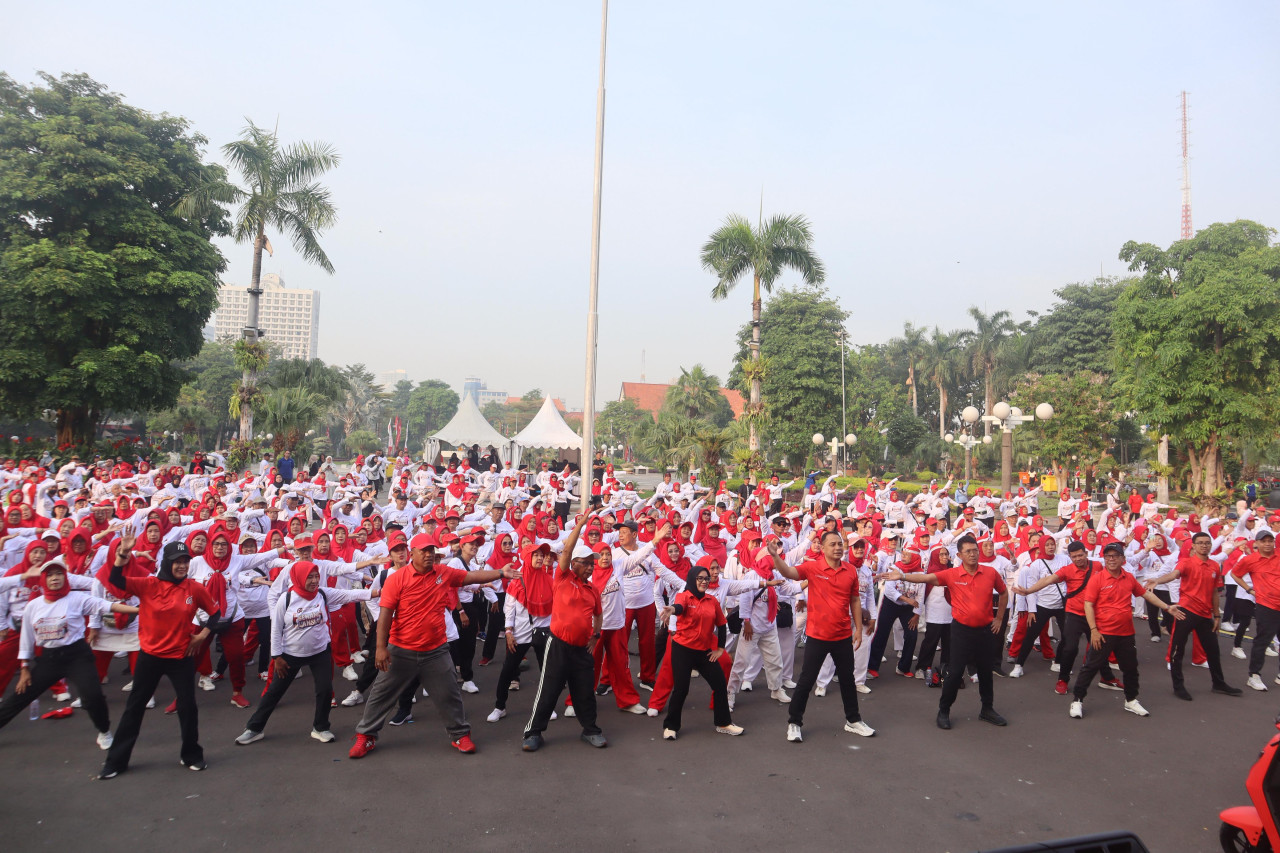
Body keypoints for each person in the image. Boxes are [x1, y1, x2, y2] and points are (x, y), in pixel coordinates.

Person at [347, 532, 518, 759]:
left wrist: (500, 572)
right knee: (381, 694)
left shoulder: (443, 573)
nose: (429, 555)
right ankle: (365, 737)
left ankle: (459, 734)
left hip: (435, 650)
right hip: (401, 649)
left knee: (450, 694)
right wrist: (380, 647)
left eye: (432, 551)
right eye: (423, 551)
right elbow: (385, 614)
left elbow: (470, 577)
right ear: (412, 554)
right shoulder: (397, 579)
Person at [99, 532, 221, 779]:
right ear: (166, 562)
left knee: (188, 707)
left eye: (185, 561)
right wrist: (123, 553)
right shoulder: (148, 585)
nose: (182, 566)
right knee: (134, 708)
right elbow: (115, 579)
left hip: (181, 657)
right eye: (177, 561)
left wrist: (201, 636)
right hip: (150, 657)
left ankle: (191, 754)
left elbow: (216, 614)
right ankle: (116, 761)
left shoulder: (194, 588)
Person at [235, 560, 374, 745]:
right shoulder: (286, 599)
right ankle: (254, 728)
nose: (315, 581)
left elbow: (350, 594)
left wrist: (378, 592)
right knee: (274, 692)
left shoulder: (323, 594)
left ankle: (321, 727)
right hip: (290, 655)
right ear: (298, 578)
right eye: (310, 577)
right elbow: (275, 630)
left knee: (325, 690)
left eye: (317, 576)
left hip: (320, 653)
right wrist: (277, 657)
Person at [0, 559, 137, 747]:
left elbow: (109, 606)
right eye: (49, 575)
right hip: (49, 659)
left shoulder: (76, 599)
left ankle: (104, 731)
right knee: (20, 696)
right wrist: (24, 668)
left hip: (77, 656)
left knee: (93, 697)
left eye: (58, 574)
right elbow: (26, 637)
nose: (54, 578)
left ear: (65, 577)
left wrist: (140, 610)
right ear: (43, 579)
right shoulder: (34, 605)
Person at [879, 534, 1008, 731]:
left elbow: (1004, 592)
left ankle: (987, 709)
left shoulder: (990, 573)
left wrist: (999, 618)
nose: (973, 554)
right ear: (960, 555)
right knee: (954, 672)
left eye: (975, 550)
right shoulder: (952, 574)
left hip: (985, 631)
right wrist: (903, 576)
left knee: (985, 672)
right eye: (968, 551)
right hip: (961, 630)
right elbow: (927, 577)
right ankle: (944, 710)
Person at [765, 529, 876, 743]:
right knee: (807, 681)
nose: (837, 548)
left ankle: (853, 720)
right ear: (822, 548)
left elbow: (854, 600)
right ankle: (794, 723)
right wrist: (775, 556)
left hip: (843, 635)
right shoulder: (813, 567)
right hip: (817, 635)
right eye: (832, 544)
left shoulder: (851, 571)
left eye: (839, 544)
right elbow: (788, 572)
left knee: (847, 680)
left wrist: (859, 630)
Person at [1069, 542, 1186, 718]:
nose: (1111, 559)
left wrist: (1167, 607)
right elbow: (1088, 605)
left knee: (1130, 668)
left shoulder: (1129, 578)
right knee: (1090, 667)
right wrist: (1093, 630)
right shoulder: (1097, 579)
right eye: (1108, 556)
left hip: (1125, 633)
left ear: (1123, 559)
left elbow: (1145, 594)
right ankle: (1077, 700)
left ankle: (1131, 700)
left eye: (1115, 556)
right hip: (1103, 633)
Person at [522, 514, 607, 752]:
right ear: (575, 563)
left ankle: (590, 730)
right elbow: (567, 549)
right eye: (587, 563)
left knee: (584, 692)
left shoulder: (593, 590)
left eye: (593, 564)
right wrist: (581, 523)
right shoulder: (562, 577)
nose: (591, 567)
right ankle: (533, 732)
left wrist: (596, 635)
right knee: (548, 690)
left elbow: (598, 615)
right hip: (557, 645)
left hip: (582, 650)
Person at [1143, 531, 1242, 700]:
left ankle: (1218, 684)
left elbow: (1214, 593)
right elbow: (1174, 574)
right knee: (1177, 651)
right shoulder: (1186, 563)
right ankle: (1178, 686)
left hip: (1205, 616)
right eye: (1201, 543)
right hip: (1185, 613)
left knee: (1213, 651)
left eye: (1207, 543)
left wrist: (1217, 616)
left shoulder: (1213, 566)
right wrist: (1157, 581)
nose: (1204, 545)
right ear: (1194, 546)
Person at [656, 563, 742, 739]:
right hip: (682, 650)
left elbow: (721, 623)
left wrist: (719, 649)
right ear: (692, 579)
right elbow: (679, 607)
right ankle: (671, 726)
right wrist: (672, 609)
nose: (704, 581)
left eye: (706, 578)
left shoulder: (712, 601)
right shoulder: (684, 596)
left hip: (704, 651)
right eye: (700, 578)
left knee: (719, 684)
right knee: (681, 689)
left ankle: (723, 723)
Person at [1230, 529, 1280, 692]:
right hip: (1266, 605)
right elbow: (1235, 574)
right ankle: (1254, 675)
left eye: (1270, 541)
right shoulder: (1250, 560)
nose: (1267, 544)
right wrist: (1249, 589)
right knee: (1262, 641)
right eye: (1263, 541)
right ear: (1257, 543)